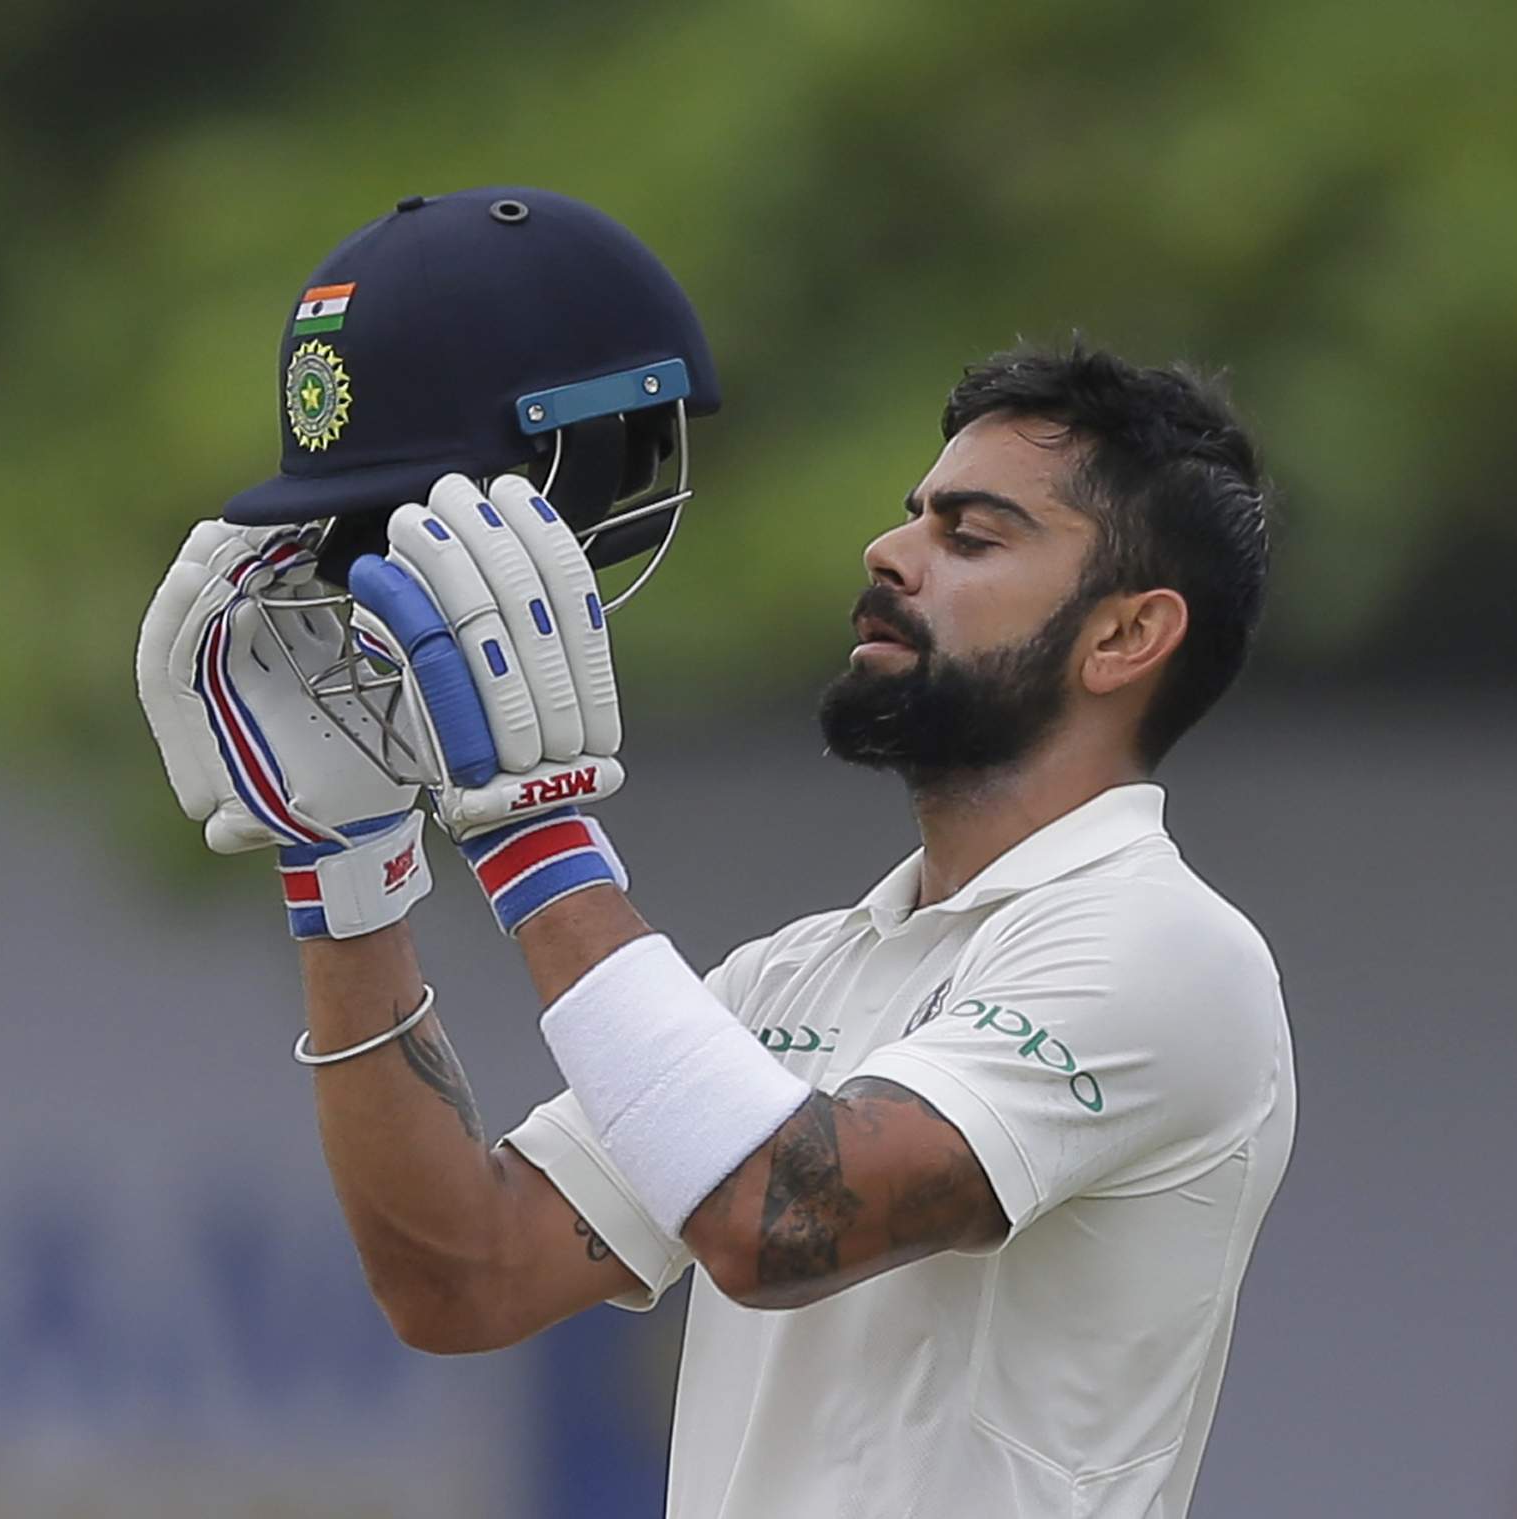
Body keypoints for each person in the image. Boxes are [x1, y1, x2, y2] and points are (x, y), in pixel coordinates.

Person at [136, 187, 1294, 1519]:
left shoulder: (1165, 951)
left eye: (971, 536)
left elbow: (779, 1220)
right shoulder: (793, 978)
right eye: (914, 514)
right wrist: (347, 875)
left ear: (1128, 636)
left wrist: (535, 830)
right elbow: (464, 1275)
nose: (891, 551)